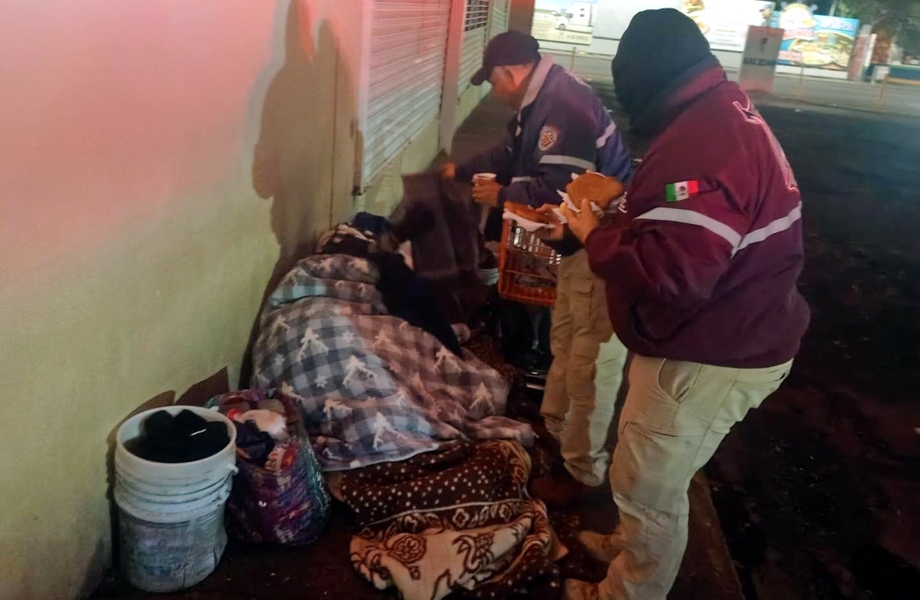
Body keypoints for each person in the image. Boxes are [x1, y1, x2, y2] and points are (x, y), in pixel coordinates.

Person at [559, 9, 810, 600]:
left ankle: (628, 591)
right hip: (732, 331)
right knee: (642, 469)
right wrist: (627, 199)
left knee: (649, 487)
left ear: (646, 83)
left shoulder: (701, 141)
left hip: (714, 349)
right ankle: (629, 550)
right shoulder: (720, 110)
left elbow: (676, 273)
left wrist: (595, 232)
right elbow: (697, 218)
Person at [445, 31, 633, 500]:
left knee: (588, 354)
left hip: (596, 242)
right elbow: (512, 154)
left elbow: (563, 186)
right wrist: (464, 169)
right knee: (566, 335)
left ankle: (584, 474)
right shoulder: (540, 101)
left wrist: (504, 195)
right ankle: (559, 428)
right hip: (573, 242)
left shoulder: (560, 107)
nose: (494, 91)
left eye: (491, 82)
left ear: (508, 74)